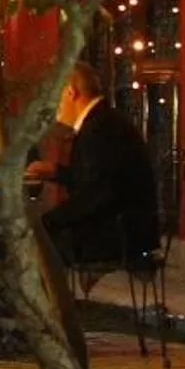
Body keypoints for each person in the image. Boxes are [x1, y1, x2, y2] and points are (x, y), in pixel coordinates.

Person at [42, 62, 161, 268]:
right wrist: (56, 172)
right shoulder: (105, 120)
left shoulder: (99, 128)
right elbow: (99, 179)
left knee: (26, 243)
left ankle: (47, 298)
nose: (54, 107)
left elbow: (96, 193)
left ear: (70, 93)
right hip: (129, 230)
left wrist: (47, 222)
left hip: (116, 236)